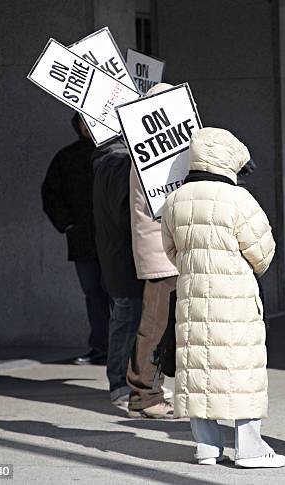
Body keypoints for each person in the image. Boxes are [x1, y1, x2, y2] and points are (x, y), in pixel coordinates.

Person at [161, 127, 285, 468]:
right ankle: (249, 448)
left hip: (192, 297)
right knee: (239, 369)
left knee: (199, 369)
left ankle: (206, 447)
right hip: (235, 300)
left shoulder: (174, 200)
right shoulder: (239, 200)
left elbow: (171, 251)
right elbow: (263, 253)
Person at [126, 83, 179, 419]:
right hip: (161, 253)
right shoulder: (153, 157)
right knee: (155, 326)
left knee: (160, 325)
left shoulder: (151, 152)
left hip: (163, 250)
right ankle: (144, 395)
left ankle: (150, 387)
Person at [42, 113, 110, 366]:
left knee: (118, 295)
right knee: (93, 293)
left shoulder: (116, 155)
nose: (87, 127)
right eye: (83, 122)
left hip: (114, 239)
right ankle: (101, 347)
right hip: (83, 239)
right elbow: (51, 194)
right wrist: (68, 224)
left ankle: (122, 349)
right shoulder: (67, 157)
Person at [91, 139, 144, 408]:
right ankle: (121, 384)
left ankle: (126, 382)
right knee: (127, 318)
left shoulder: (109, 164)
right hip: (125, 257)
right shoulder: (119, 165)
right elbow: (125, 216)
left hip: (120, 256)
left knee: (128, 317)